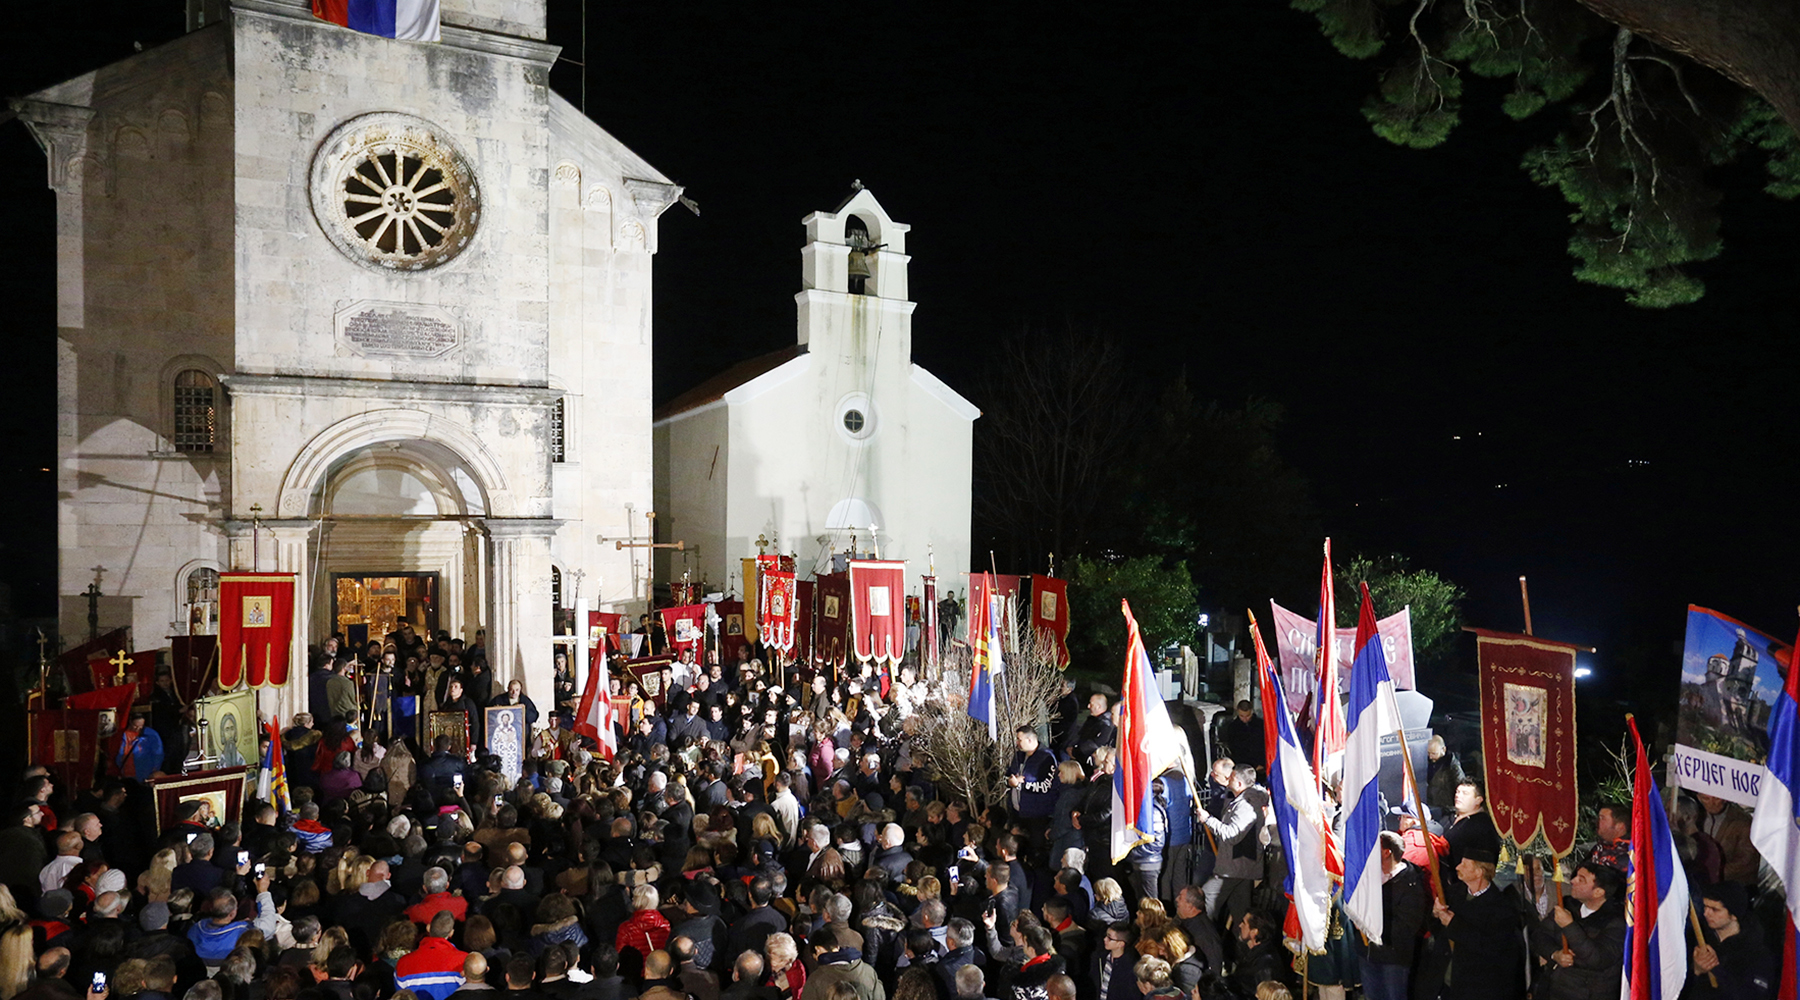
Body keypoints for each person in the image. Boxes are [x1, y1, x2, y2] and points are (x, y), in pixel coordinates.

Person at [1428, 847, 1523, 1000]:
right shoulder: (1453, 893)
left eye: (1465, 865)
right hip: (1444, 983)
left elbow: (1492, 946)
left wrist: (1453, 924)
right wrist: (1435, 913)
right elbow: (1435, 928)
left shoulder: (1501, 907)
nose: (1458, 867)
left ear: (1479, 872)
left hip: (1475, 988)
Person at [1530, 862, 1625, 1000]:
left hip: (1589, 993)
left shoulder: (1616, 921)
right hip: (1555, 990)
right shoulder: (1568, 905)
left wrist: (1569, 925)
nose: (1573, 881)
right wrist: (1554, 954)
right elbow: (1539, 935)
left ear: (1598, 892)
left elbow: (1598, 959)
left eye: (1581, 880)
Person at [1353, 832, 1427, 1000]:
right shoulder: (1369, 876)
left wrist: (1371, 925)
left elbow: (1407, 925)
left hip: (1392, 959)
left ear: (1387, 852)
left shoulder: (1410, 883)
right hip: (1368, 953)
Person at [1687, 882, 1777, 999]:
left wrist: (1715, 969)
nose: (1706, 913)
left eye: (1715, 909)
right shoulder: (1695, 936)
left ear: (1734, 915)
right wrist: (1696, 970)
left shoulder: (1757, 953)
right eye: (1705, 907)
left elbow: (1753, 995)